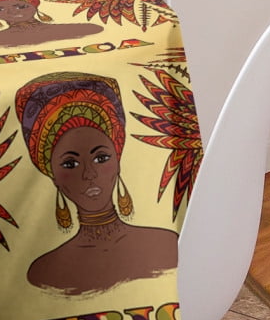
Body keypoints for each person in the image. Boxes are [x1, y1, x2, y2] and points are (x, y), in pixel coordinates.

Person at [14, 73, 177, 296]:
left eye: (101, 158)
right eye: (70, 164)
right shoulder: (43, 273)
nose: (89, 174)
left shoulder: (167, 244)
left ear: (118, 160)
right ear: (53, 175)